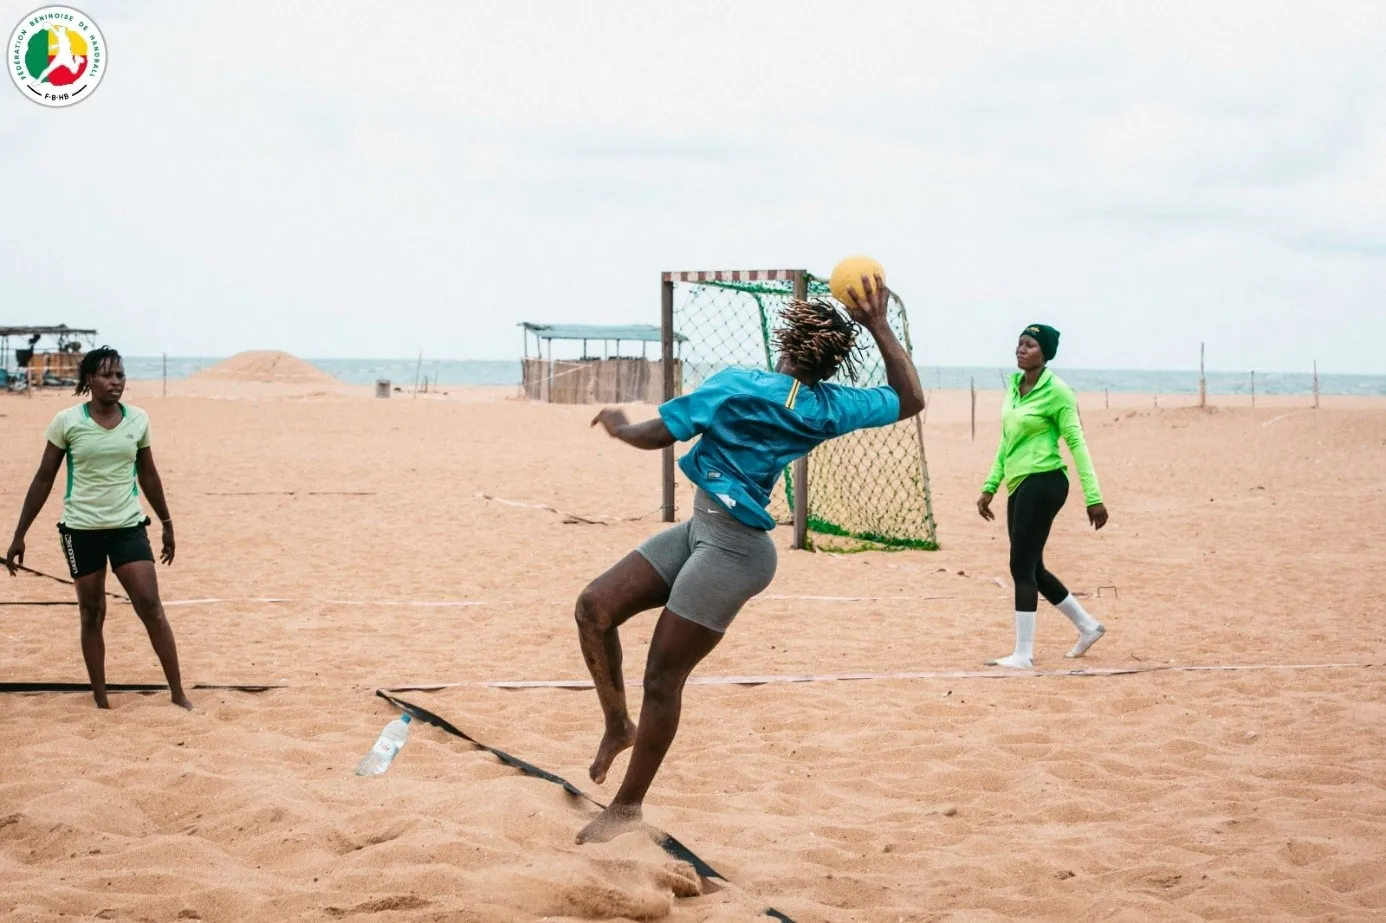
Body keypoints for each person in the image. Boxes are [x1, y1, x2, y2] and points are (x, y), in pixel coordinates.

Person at [573, 275, 924, 844]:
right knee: (594, 607)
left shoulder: (738, 384)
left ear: (785, 341)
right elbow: (911, 400)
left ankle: (626, 810)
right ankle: (618, 725)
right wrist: (879, 325)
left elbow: (655, 434)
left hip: (734, 551)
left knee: (663, 677)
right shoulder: (830, 405)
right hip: (702, 530)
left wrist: (618, 425)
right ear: (833, 362)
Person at [5, 347, 192, 710]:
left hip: (128, 527)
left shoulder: (138, 420)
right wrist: (19, 534)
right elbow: (44, 478)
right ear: (89, 379)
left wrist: (167, 524)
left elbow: (149, 474)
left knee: (151, 605)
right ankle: (102, 701)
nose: (115, 382)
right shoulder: (67, 422)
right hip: (80, 530)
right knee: (92, 612)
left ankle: (178, 694)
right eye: (107, 375)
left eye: (120, 375)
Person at [977, 324, 1108, 669]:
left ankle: (1023, 654)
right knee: (1033, 566)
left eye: (1030, 345)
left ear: (1045, 353)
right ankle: (1088, 626)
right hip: (1019, 482)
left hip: (1046, 480)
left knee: (1020, 565)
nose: (1021, 349)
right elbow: (1007, 442)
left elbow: (1077, 443)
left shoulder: (1058, 392)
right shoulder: (1015, 387)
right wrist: (990, 486)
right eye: (1019, 343)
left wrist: (1093, 496)